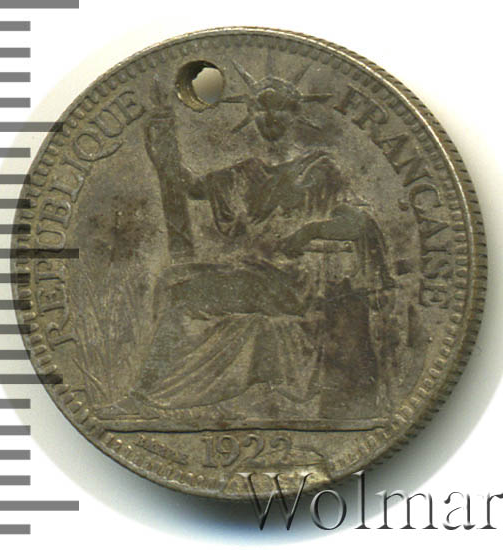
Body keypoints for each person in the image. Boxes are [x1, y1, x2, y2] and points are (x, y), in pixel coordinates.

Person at [98, 66, 395, 424]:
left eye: (279, 108)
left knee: (184, 295)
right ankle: (160, 393)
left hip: (296, 280)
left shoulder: (320, 169)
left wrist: (308, 232)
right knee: (171, 280)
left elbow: (357, 222)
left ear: (295, 113)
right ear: (251, 115)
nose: (269, 118)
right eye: (260, 109)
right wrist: (162, 141)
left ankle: (146, 398)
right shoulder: (245, 172)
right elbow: (191, 187)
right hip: (257, 271)